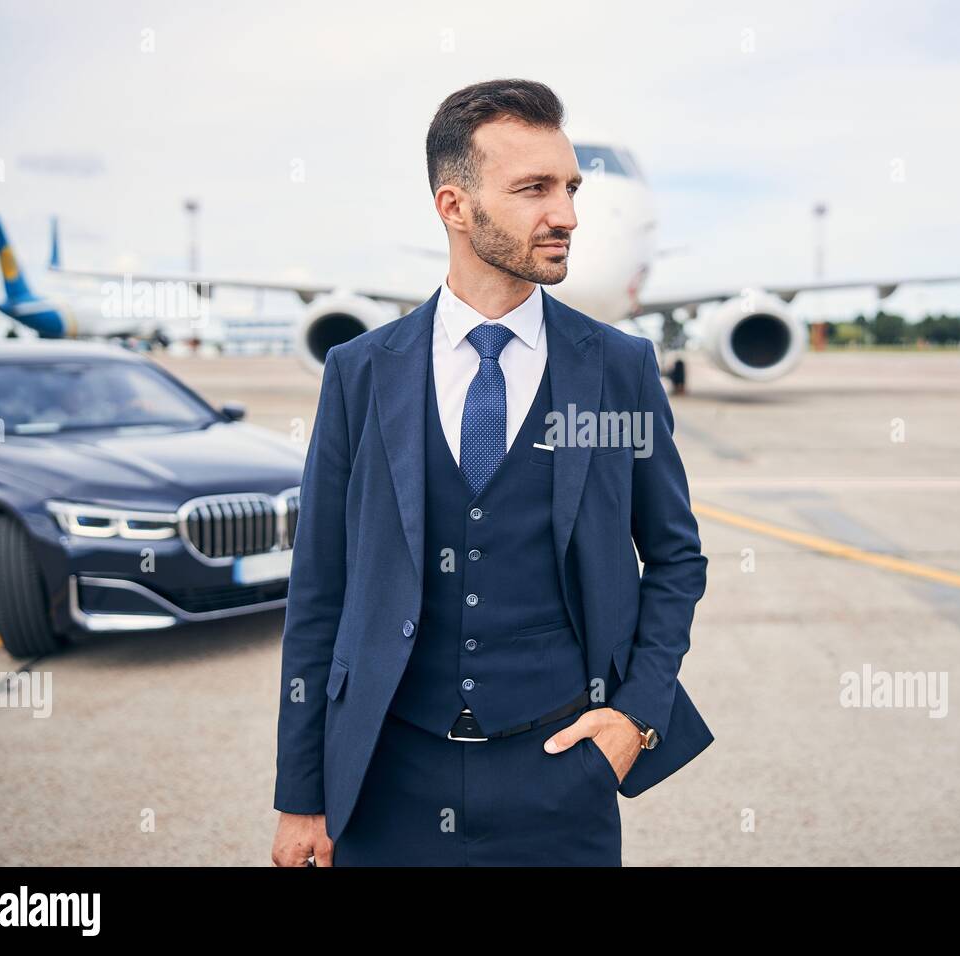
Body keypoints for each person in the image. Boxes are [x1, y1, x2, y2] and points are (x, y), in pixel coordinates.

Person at [271, 78, 711, 867]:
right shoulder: (360, 373)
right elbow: (319, 592)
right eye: (535, 188)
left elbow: (676, 556)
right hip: (383, 780)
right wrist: (302, 794)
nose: (569, 214)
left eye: (570, 187)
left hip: (560, 780)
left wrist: (635, 716)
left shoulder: (618, 370)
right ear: (455, 206)